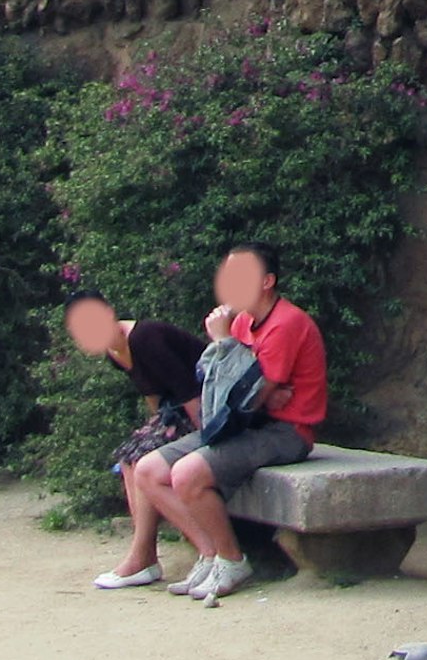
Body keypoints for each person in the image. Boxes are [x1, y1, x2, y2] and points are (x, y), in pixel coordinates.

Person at [122, 245, 325, 607]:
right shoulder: (244, 321)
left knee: (186, 474)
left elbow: (249, 397)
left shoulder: (285, 323)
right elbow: (217, 385)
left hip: (285, 431)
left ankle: (231, 560)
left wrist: (225, 345)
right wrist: (247, 377)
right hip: (244, 423)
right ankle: (210, 555)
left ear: (267, 281)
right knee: (149, 470)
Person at [64, 288, 204, 591]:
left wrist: (208, 441)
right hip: (176, 413)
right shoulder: (114, 353)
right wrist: (151, 433)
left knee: (142, 458)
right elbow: (153, 397)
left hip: (207, 407)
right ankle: (144, 558)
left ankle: (145, 557)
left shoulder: (145, 337)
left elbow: (191, 392)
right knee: (130, 455)